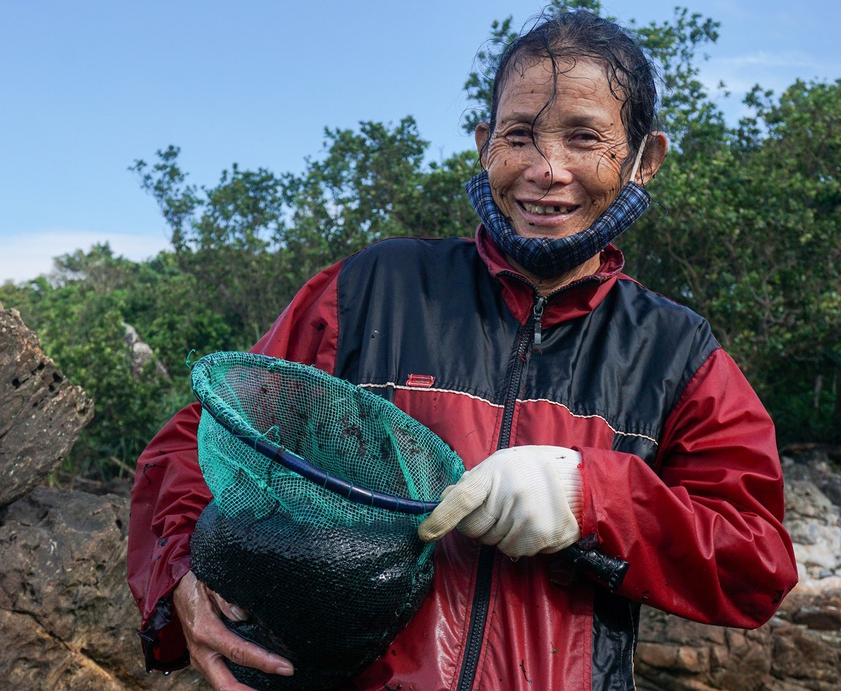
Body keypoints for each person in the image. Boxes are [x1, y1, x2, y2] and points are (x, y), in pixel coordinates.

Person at [127, 9, 798, 690]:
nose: (547, 169)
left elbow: (755, 563)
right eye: (520, 135)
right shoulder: (374, 288)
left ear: (643, 161)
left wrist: (591, 495)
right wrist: (180, 570)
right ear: (485, 145)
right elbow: (199, 434)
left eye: (585, 137)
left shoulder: (676, 353)